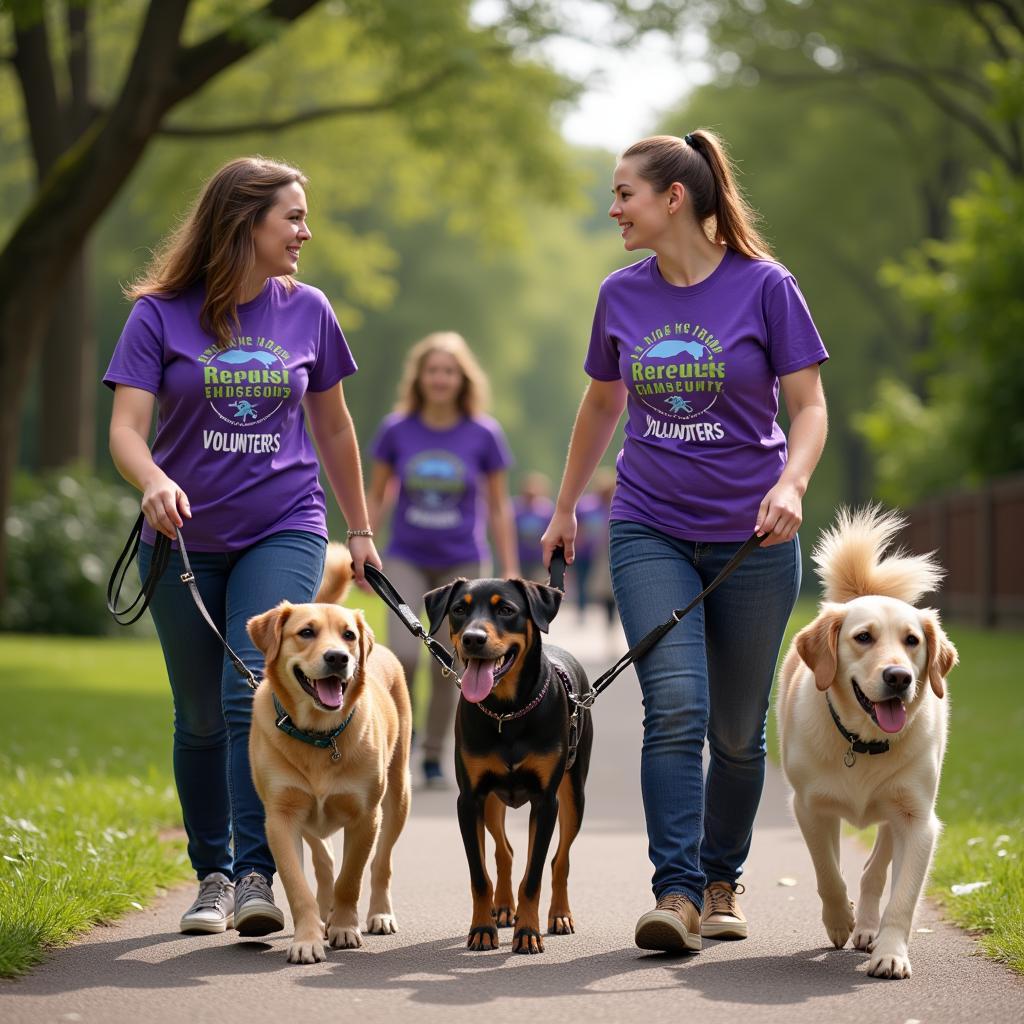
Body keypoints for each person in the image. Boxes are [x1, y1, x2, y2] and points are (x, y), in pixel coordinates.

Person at [541, 131, 828, 954]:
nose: (613, 208)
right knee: (675, 708)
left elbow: (808, 408)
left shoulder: (767, 288)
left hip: (752, 535)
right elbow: (601, 405)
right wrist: (566, 508)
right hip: (648, 525)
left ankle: (721, 879)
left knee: (737, 733)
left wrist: (792, 484)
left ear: (676, 198)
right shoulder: (620, 295)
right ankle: (675, 893)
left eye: (624, 192)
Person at [104, 156, 381, 939]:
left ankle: (260, 871)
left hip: (284, 524)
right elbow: (127, 429)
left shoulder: (309, 309)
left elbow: (332, 424)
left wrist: (357, 529)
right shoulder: (158, 314)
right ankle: (213, 874)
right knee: (196, 715)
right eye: (292, 217)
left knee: (243, 696)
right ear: (243, 223)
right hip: (183, 539)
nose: (305, 231)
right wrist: (153, 481)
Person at [366, 332, 518, 789]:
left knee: (450, 663)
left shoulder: (483, 433)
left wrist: (509, 567)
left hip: (462, 565)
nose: (440, 378)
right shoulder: (397, 428)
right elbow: (378, 493)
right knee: (405, 655)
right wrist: (363, 545)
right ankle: (400, 743)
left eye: (448, 371)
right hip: (406, 557)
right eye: (432, 370)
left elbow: (497, 506)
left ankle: (433, 755)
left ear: (461, 379)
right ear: (420, 377)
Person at [512, 471, 555, 582]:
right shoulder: (514, 509)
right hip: (519, 557)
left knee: (538, 585)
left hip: (539, 557)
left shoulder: (547, 510)